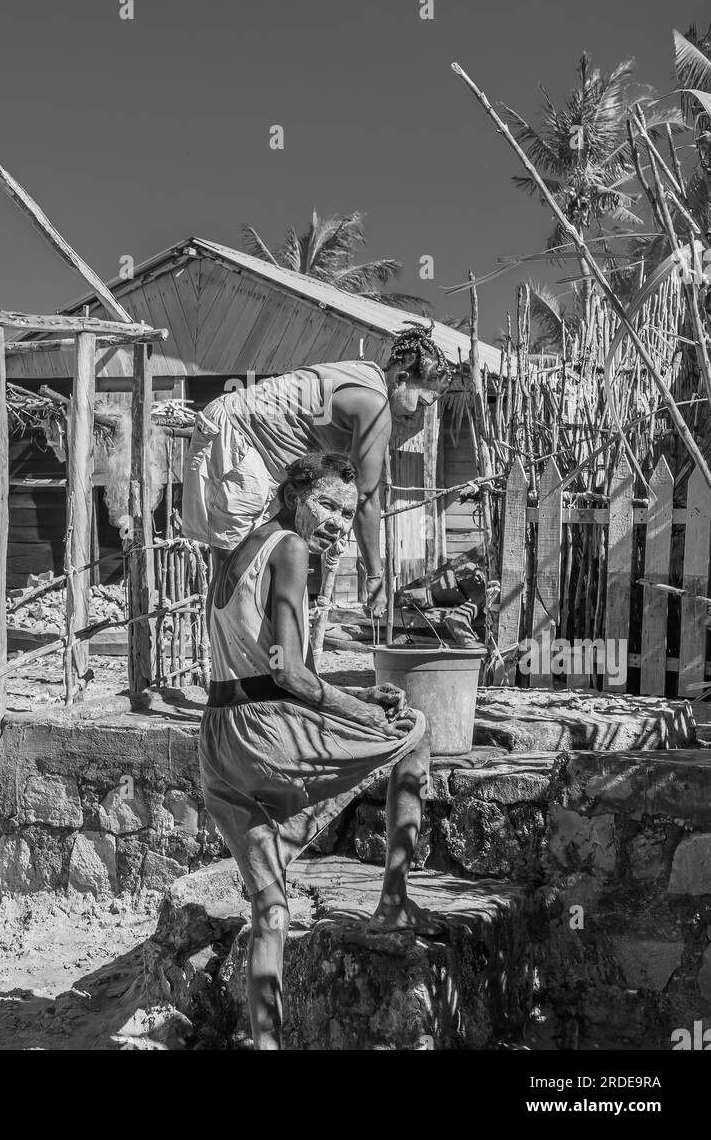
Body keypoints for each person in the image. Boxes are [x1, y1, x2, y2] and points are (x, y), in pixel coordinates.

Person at [198, 450, 438, 1051]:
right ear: (293, 494)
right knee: (415, 730)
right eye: (326, 504)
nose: (335, 521)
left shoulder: (234, 550)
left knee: (270, 907)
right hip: (264, 733)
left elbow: (262, 663)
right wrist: (364, 710)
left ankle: (266, 1045)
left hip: (217, 738)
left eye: (346, 513)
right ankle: (394, 902)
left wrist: (352, 695)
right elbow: (290, 675)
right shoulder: (289, 549)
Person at [181, 325, 452, 618]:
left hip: (252, 448)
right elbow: (365, 498)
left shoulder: (364, 374)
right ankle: (231, 657)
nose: (419, 413)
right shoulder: (375, 405)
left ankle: (251, 653)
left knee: (253, 564)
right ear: (401, 379)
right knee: (233, 568)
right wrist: (375, 578)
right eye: (422, 401)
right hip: (236, 438)